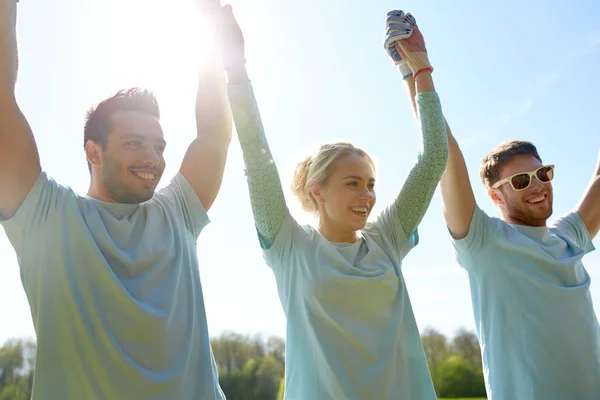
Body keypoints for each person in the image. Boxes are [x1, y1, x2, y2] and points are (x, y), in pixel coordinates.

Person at [0, 1, 231, 398]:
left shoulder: (177, 213)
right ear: (94, 152)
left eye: (159, 147)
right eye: (134, 144)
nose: (152, 159)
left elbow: (213, 133)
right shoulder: (47, 216)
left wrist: (212, 38)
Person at [216, 7, 448, 398]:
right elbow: (257, 162)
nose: (367, 196)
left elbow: (433, 159)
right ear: (316, 190)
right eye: (353, 183)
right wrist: (235, 67)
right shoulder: (290, 246)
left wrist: (421, 70)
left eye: (371, 184)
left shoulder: (387, 239)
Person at [438, 29, 600, 400]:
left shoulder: (569, 237)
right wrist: (417, 72)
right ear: (495, 195)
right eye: (523, 180)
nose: (539, 185)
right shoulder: (484, 243)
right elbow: (445, 157)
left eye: (543, 174)